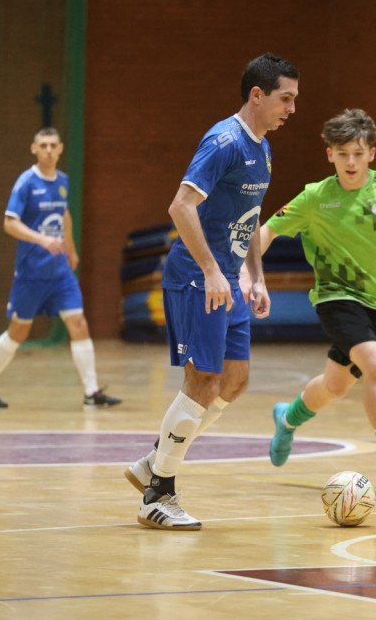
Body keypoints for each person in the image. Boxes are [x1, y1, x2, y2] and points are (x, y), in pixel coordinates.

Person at [124, 53, 300, 530]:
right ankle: (157, 495)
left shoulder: (262, 147)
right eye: (286, 98)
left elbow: (250, 220)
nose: (291, 108)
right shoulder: (223, 141)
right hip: (198, 280)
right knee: (201, 383)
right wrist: (212, 269)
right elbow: (181, 207)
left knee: (235, 380)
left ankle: (154, 462)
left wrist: (256, 276)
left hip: (228, 280)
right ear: (257, 95)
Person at [257, 108, 376, 491]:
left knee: (336, 386)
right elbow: (266, 232)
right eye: (342, 154)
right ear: (330, 155)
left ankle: (287, 419)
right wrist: (249, 275)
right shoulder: (314, 198)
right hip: (336, 298)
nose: (350, 162)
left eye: (358, 153)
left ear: (372, 153)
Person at [0, 127, 121, 410]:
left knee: (79, 323)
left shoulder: (63, 181)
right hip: (31, 273)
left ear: (61, 149)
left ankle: (92, 392)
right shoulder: (26, 182)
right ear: (34, 149)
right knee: (19, 332)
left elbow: (64, 216)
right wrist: (43, 240)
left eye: (54, 145)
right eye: (44, 145)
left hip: (60, 273)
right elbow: (9, 222)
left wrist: (71, 250)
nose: (49, 150)